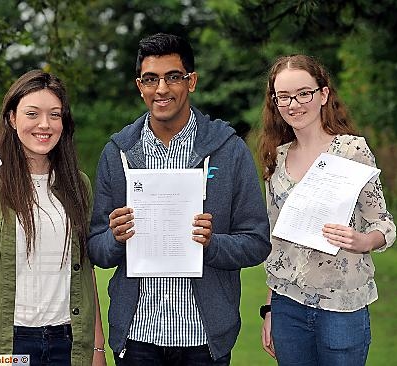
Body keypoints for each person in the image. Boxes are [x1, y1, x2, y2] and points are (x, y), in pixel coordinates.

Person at [87, 33, 271, 365]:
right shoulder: (117, 154)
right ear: (139, 85)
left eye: (173, 77)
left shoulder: (229, 151)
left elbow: (257, 242)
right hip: (137, 336)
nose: (162, 89)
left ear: (192, 81)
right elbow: (97, 250)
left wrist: (212, 243)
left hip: (204, 337)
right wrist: (115, 239)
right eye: (151, 79)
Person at [0, 70, 106, 366]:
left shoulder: (79, 184)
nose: (45, 124)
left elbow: (84, 269)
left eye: (55, 115)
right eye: (32, 113)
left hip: (70, 344)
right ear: (12, 118)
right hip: (6, 345)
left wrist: (97, 347)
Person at [258, 54, 396, 366]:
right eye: (284, 96)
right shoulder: (276, 159)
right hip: (287, 306)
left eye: (303, 93)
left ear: (323, 94)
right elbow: (276, 245)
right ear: (275, 102)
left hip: (342, 308)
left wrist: (363, 241)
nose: (294, 104)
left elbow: (383, 224)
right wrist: (270, 309)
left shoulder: (352, 151)